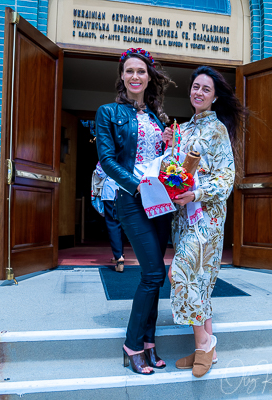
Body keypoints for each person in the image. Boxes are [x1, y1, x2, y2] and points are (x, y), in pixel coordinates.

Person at [96, 47, 173, 375]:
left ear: (149, 76)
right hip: (131, 199)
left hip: (159, 200)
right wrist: (136, 185)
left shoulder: (157, 117)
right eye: (129, 71)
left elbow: (160, 161)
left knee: (156, 277)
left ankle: (149, 341)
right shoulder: (108, 113)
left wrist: (170, 144)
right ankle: (132, 344)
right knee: (154, 273)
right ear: (122, 76)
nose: (135, 76)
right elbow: (108, 159)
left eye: (141, 71)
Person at [166, 66, 245, 378]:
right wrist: (168, 145)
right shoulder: (183, 130)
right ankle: (206, 353)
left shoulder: (218, 131)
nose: (198, 92)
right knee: (199, 283)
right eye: (195, 87)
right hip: (183, 219)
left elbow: (226, 180)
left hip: (207, 218)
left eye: (205, 89)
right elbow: (173, 172)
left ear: (214, 97)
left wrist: (196, 193)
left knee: (179, 272)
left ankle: (204, 342)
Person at [95, 161, 125, 272]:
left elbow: (100, 173)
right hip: (126, 190)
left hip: (111, 190)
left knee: (113, 223)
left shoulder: (108, 152)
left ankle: (119, 257)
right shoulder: (129, 149)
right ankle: (120, 253)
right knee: (123, 222)